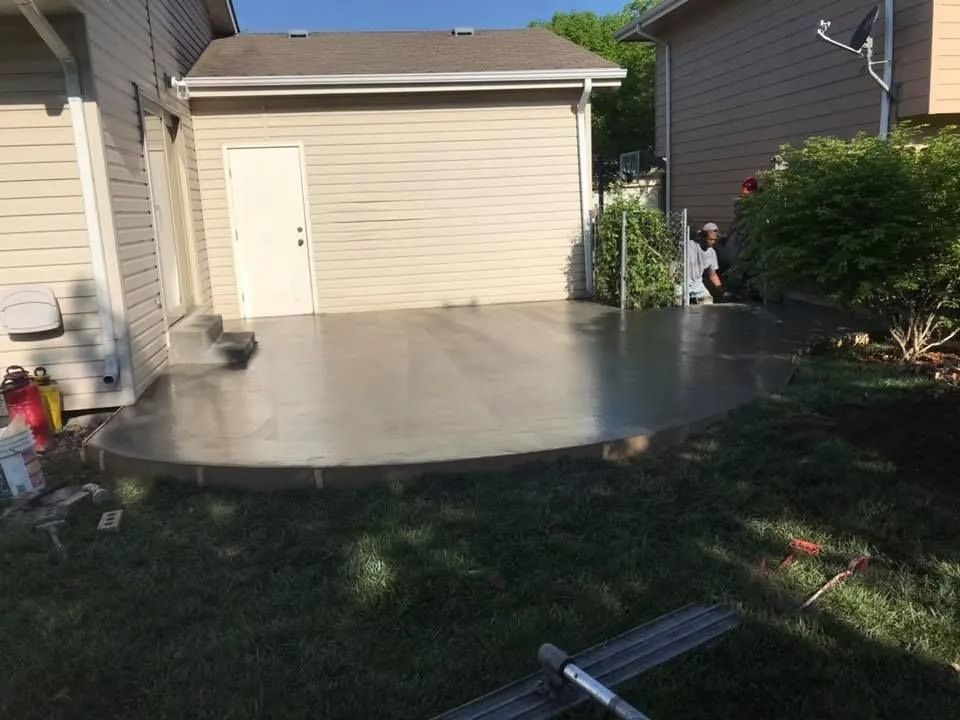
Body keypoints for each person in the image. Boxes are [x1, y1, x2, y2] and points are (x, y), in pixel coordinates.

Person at [687, 222, 722, 304]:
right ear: (702, 237)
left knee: (707, 302)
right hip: (682, 282)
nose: (713, 242)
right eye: (710, 239)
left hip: (697, 284)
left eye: (715, 240)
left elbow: (712, 275)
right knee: (678, 303)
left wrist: (721, 291)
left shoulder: (712, 253)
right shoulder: (689, 245)